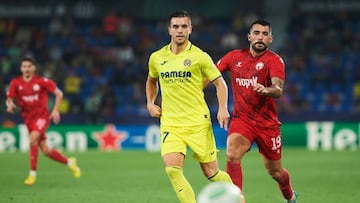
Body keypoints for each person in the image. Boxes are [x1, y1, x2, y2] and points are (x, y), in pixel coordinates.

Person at [146, 10, 232, 203]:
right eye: (175, 26)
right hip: (171, 123)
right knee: (172, 170)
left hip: (197, 123)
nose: (179, 30)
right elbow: (151, 80)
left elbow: (220, 83)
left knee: (211, 173)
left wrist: (223, 108)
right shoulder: (157, 57)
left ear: (190, 29)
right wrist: (150, 103)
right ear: (169, 30)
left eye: (184, 26)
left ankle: (237, 197)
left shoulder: (200, 56)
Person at [216, 20, 298, 203]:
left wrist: (266, 89)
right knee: (232, 153)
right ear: (249, 36)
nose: (260, 37)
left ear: (270, 39)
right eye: (257, 33)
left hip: (267, 124)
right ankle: (236, 198)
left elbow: (278, 88)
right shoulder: (233, 57)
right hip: (242, 119)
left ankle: (291, 196)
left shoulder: (274, 60)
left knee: (276, 172)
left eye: (265, 34)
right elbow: (211, 75)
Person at [6, 56, 81, 186]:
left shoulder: (42, 82)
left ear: (34, 68)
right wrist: (9, 104)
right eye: (24, 67)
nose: (27, 69)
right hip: (28, 119)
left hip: (42, 117)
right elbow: (9, 98)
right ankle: (70, 163)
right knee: (46, 150)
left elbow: (59, 93)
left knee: (32, 139)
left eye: (29, 66)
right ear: (21, 69)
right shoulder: (15, 83)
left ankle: (32, 174)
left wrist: (55, 110)